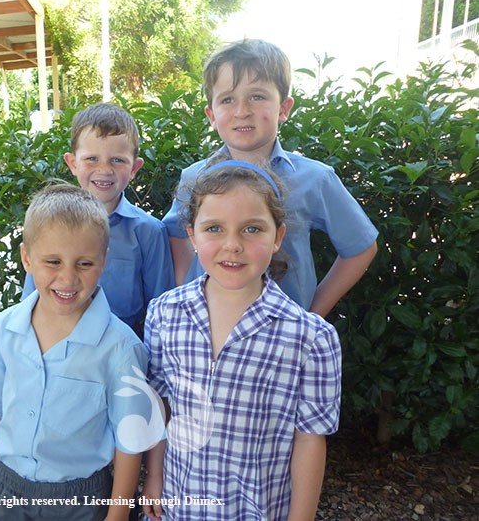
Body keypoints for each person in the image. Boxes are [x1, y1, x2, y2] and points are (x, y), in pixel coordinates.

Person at [141, 162, 342, 521]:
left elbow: (310, 439)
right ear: (192, 234)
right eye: (214, 228)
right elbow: (160, 406)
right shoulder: (164, 314)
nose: (232, 245)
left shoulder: (310, 338)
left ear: (277, 236)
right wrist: (153, 477)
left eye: (252, 229)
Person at [0, 183, 152, 521]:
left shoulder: (120, 348)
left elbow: (129, 438)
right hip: (8, 491)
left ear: (103, 261)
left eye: (84, 264)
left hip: (82, 500)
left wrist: (117, 514)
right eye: (52, 261)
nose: (67, 278)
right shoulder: (4, 331)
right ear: (27, 258)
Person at [163, 39, 378, 316]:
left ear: (283, 108)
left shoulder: (315, 179)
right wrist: (185, 286)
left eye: (257, 96)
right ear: (211, 115)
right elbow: (176, 235)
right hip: (205, 332)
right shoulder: (193, 177)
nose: (242, 111)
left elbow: (361, 246)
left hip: (285, 340)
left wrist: (313, 312)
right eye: (227, 99)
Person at [22, 103, 174, 334]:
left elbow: (162, 309)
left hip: (118, 353)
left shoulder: (149, 232)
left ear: (135, 168)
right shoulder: (48, 226)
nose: (104, 170)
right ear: (73, 163)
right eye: (92, 158)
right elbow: (29, 302)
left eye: (118, 160)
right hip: (54, 345)